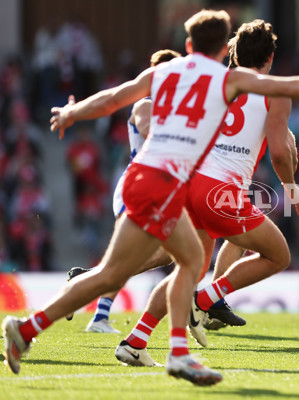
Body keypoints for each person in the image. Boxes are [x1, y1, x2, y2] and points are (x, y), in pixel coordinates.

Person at [2, 9, 299, 385]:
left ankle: (75, 333)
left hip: (154, 178)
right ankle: (177, 349)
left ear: (188, 43)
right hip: (178, 183)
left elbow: (113, 98)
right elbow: (290, 87)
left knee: (170, 264)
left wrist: (72, 114)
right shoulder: (225, 80)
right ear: (225, 47)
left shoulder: (166, 70)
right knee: (214, 263)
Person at [115, 19, 299, 367]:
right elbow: (280, 152)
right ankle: (206, 299)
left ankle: (136, 340)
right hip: (219, 191)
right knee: (279, 255)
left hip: (188, 182)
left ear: (233, 52)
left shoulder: (216, 80)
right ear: (269, 58)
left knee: (186, 268)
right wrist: (292, 188)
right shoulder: (273, 89)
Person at [64, 50, 182, 334]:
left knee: (166, 255)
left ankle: (87, 281)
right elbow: (150, 132)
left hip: (158, 189)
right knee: (129, 254)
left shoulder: (176, 110)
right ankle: (97, 315)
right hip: (138, 185)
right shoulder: (146, 105)